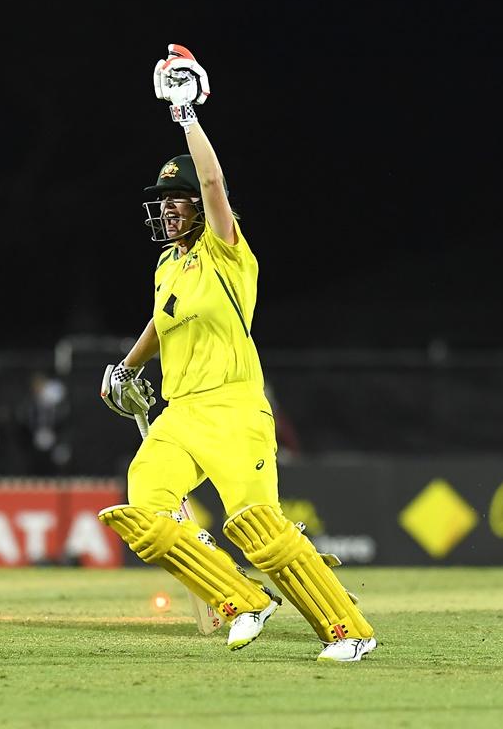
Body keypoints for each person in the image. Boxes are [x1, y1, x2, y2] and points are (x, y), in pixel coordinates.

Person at [98, 45, 377, 662]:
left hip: (234, 410)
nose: (168, 209)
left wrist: (185, 115)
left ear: (199, 209)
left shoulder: (227, 252)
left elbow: (215, 180)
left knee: (258, 527)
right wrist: (128, 366)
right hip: (180, 413)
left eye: (178, 201)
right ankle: (243, 601)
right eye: (162, 202)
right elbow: (160, 322)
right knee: (141, 513)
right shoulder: (168, 265)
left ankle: (350, 630)